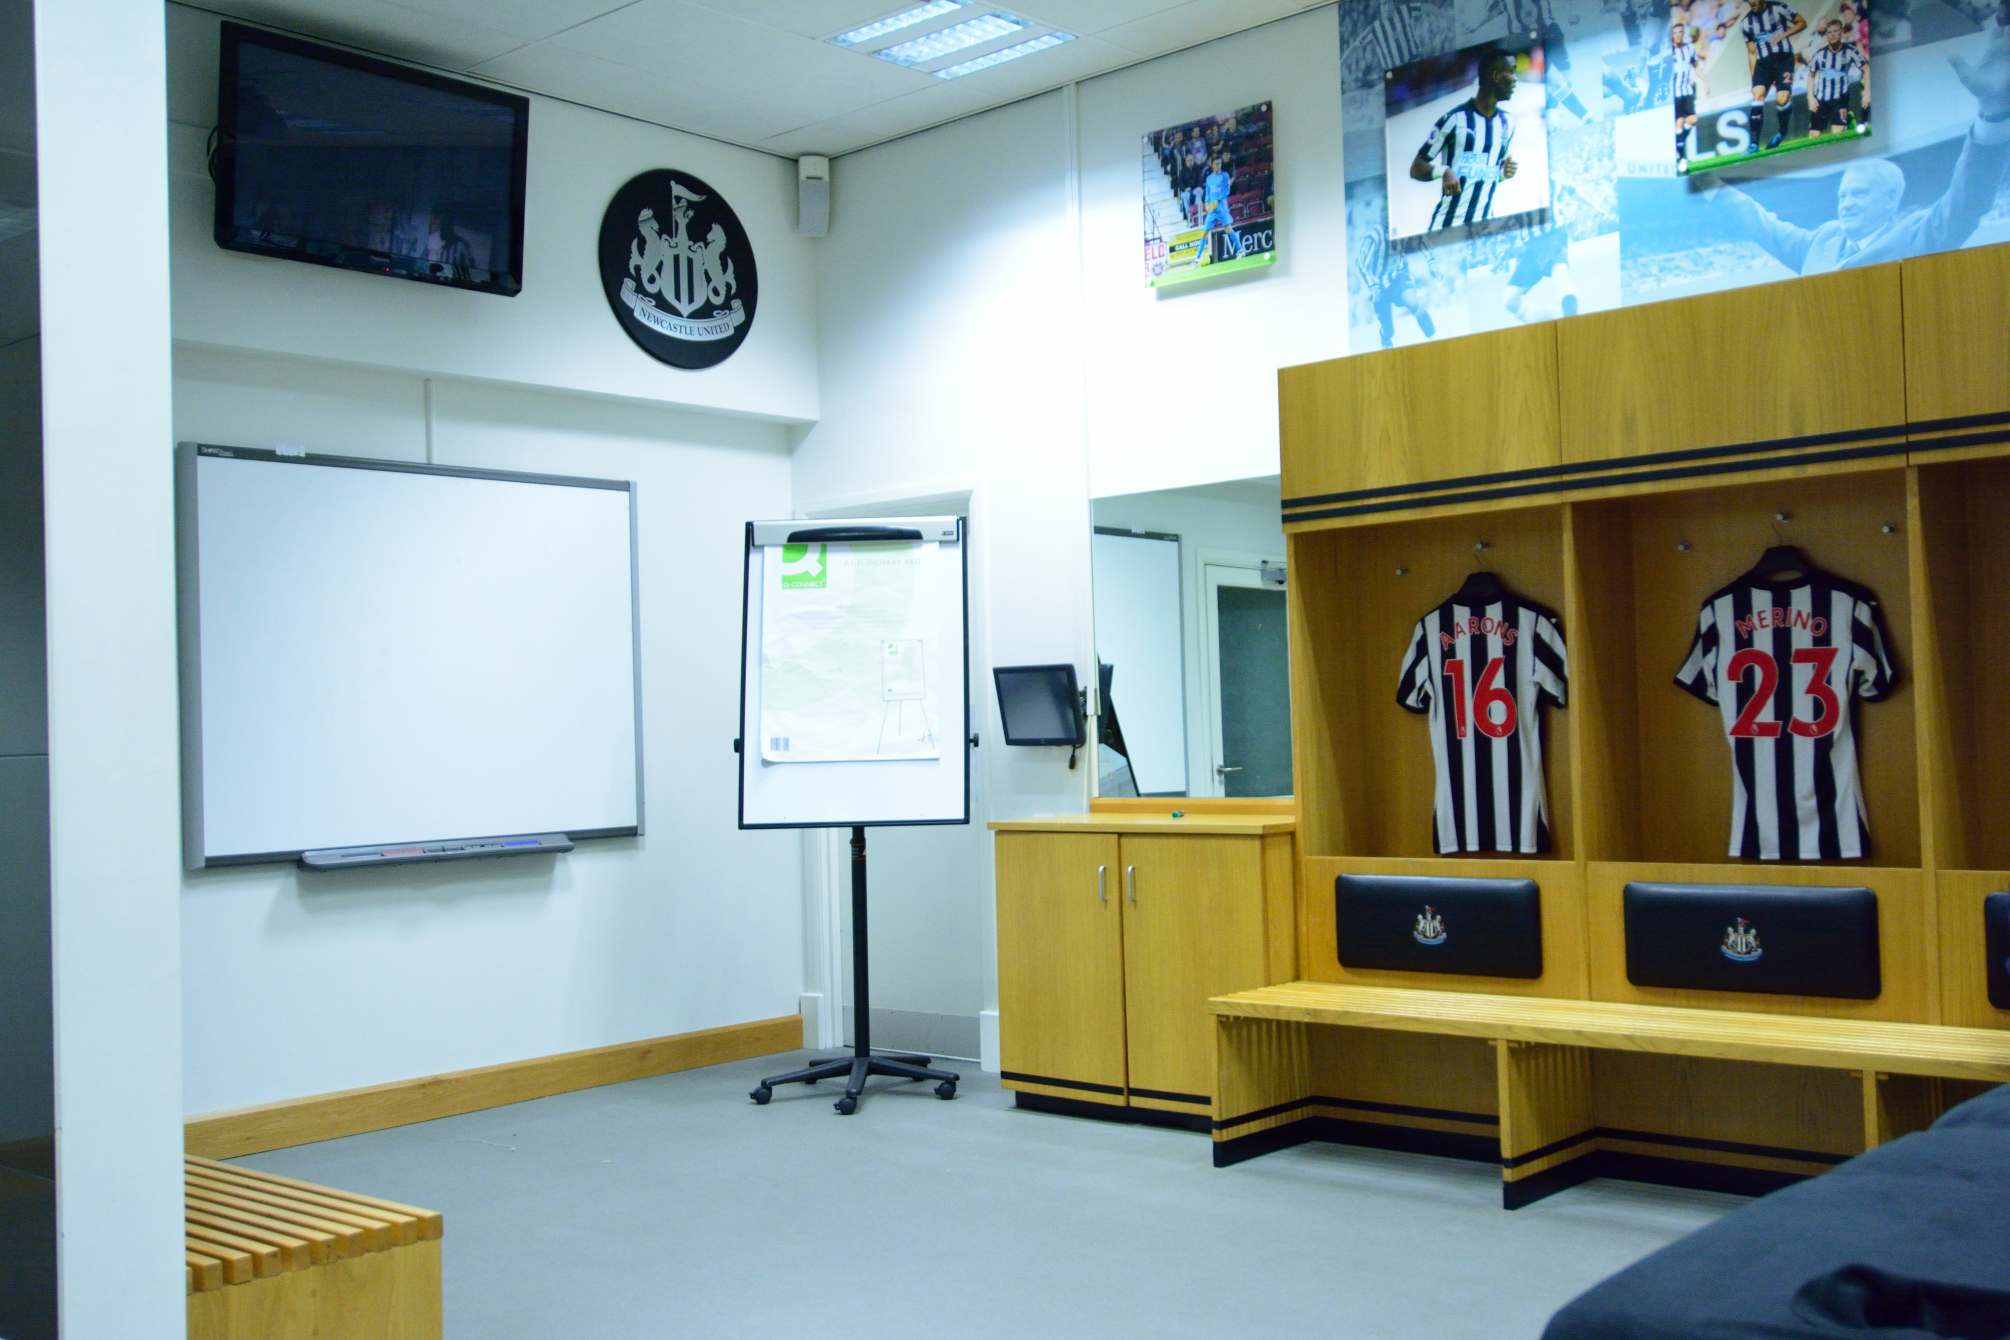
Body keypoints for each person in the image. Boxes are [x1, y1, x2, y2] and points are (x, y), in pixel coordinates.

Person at [1705, 16, 2010, 274]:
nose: (1846, 202)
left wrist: (1993, 116)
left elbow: (1969, 198)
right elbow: (1761, 226)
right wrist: (1709, 185)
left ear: (1891, 199)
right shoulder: (1821, 242)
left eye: (1859, 194)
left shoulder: (1918, 235)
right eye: (1844, 194)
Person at [1410, 47, 1521, 231]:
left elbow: (1487, 173)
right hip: (1447, 228)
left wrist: (1503, 173)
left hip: (1484, 230)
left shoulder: (1508, 122)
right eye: (1512, 72)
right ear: (1495, 76)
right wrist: (1444, 171)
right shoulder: (1454, 119)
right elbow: (1416, 168)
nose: (1516, 79)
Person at [1740, 0, 1808, 151]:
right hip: (1763, 65)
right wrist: (1753, 79)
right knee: (1757, 95)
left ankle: (1782, 132)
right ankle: (1753, 143)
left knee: (1782, 100)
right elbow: (1751, 52)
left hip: (1784, 60)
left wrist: (1785, 34)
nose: (1751, 2)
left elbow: (1802, 23)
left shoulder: (1779, 8)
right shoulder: (1745, 23)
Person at [1806, 19, 1866, 135]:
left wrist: (1867, 92)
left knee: (1837, 134)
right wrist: (1810, 97)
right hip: (1821, 100)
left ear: (1841, 32)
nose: (1832, 35)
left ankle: (1846, 118)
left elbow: (1866, 69)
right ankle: (1848, 117)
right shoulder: (1819, 54)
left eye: (1835, 31)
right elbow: (1811, 75)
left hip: (1840, 100)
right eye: (1829, 32)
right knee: (1814, 135)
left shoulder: (1850, 51)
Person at [1198, 152, 1242, 263]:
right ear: (1212, 165)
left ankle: (1240, 250)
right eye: (1217, 164)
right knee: (1204, 232)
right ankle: (1197, 258)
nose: (1219, 165)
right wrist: (1207, 204)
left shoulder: (1225, 175)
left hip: (1221, 207)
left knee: (1228, 228)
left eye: (1220, 163)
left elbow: (1226, 191)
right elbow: (1207, 194)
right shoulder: (1209, 179)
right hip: (1212, 210)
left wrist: (1217, 201)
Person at [1673, 21, 1707, 166]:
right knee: (1679, 123)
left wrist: (1705, 81)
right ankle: (1682, 158)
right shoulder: (1669, 52)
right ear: (1672, 35)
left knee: (1692, 119)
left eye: (1681, 32)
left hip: (1687, 90)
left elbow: (1695, 67)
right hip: (1675, 93)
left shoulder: (1689, 48)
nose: (1679, 35)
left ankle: (1676, 144)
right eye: (1676, 32)